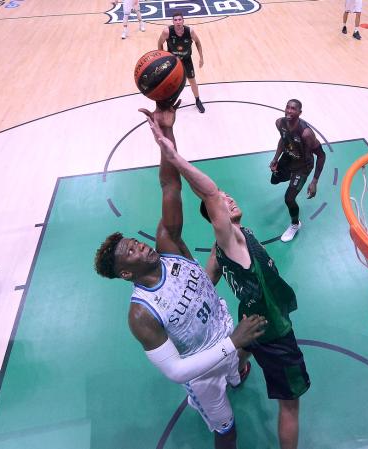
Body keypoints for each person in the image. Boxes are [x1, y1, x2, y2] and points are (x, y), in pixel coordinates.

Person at [94, 104, 266, 449]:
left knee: (240, 369)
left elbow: (170, 186)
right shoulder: (141, 314)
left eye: (135, 243)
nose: (140, 247)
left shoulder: (169, 247)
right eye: (132, 251)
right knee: (227, 432)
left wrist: (166, 133)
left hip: (227, 331)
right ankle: (222, 388)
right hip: (201, 372)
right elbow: (175, 372)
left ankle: (236, 373)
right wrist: (232, 342)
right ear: (127, 273)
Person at [142, 107, 310, 449]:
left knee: (245, 343)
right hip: (275, 331)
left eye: (229, 198)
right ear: (216, 218)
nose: (228, 199)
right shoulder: (230, 239)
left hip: (251, 321)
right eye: (223, 202)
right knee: (290, 406)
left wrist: (180, 303)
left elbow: (204, 283)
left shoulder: (221, 251)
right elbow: (209, 193)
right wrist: (174, 154)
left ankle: (239, 366)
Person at [269, 99, 326, 242]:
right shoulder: (279, 123)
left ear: (300, 113)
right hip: (288, 159)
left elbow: (321, 155)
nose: (289, 111)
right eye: (287, 107)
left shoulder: (306, 133)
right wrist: (275, 159)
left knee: (289, 198)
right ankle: (291, 179)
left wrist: (314, 181)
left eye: (293, 109)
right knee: (274, 180)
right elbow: (283, 140)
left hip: (302, 167)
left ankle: (295, 225)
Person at [158, 12, 206, 113]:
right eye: (175, 20)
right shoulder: (167, 31)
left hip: (186, 59)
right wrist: (162, 57)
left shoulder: (190, 31)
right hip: (173, 61)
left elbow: (198, 42)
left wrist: (201, 57)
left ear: (183, 21)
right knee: (169, 82)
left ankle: (197, 100)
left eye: (180, 20)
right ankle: (168, 102)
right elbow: (160, 43)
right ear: (173, 22)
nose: (178, 22)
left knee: (192, 81)